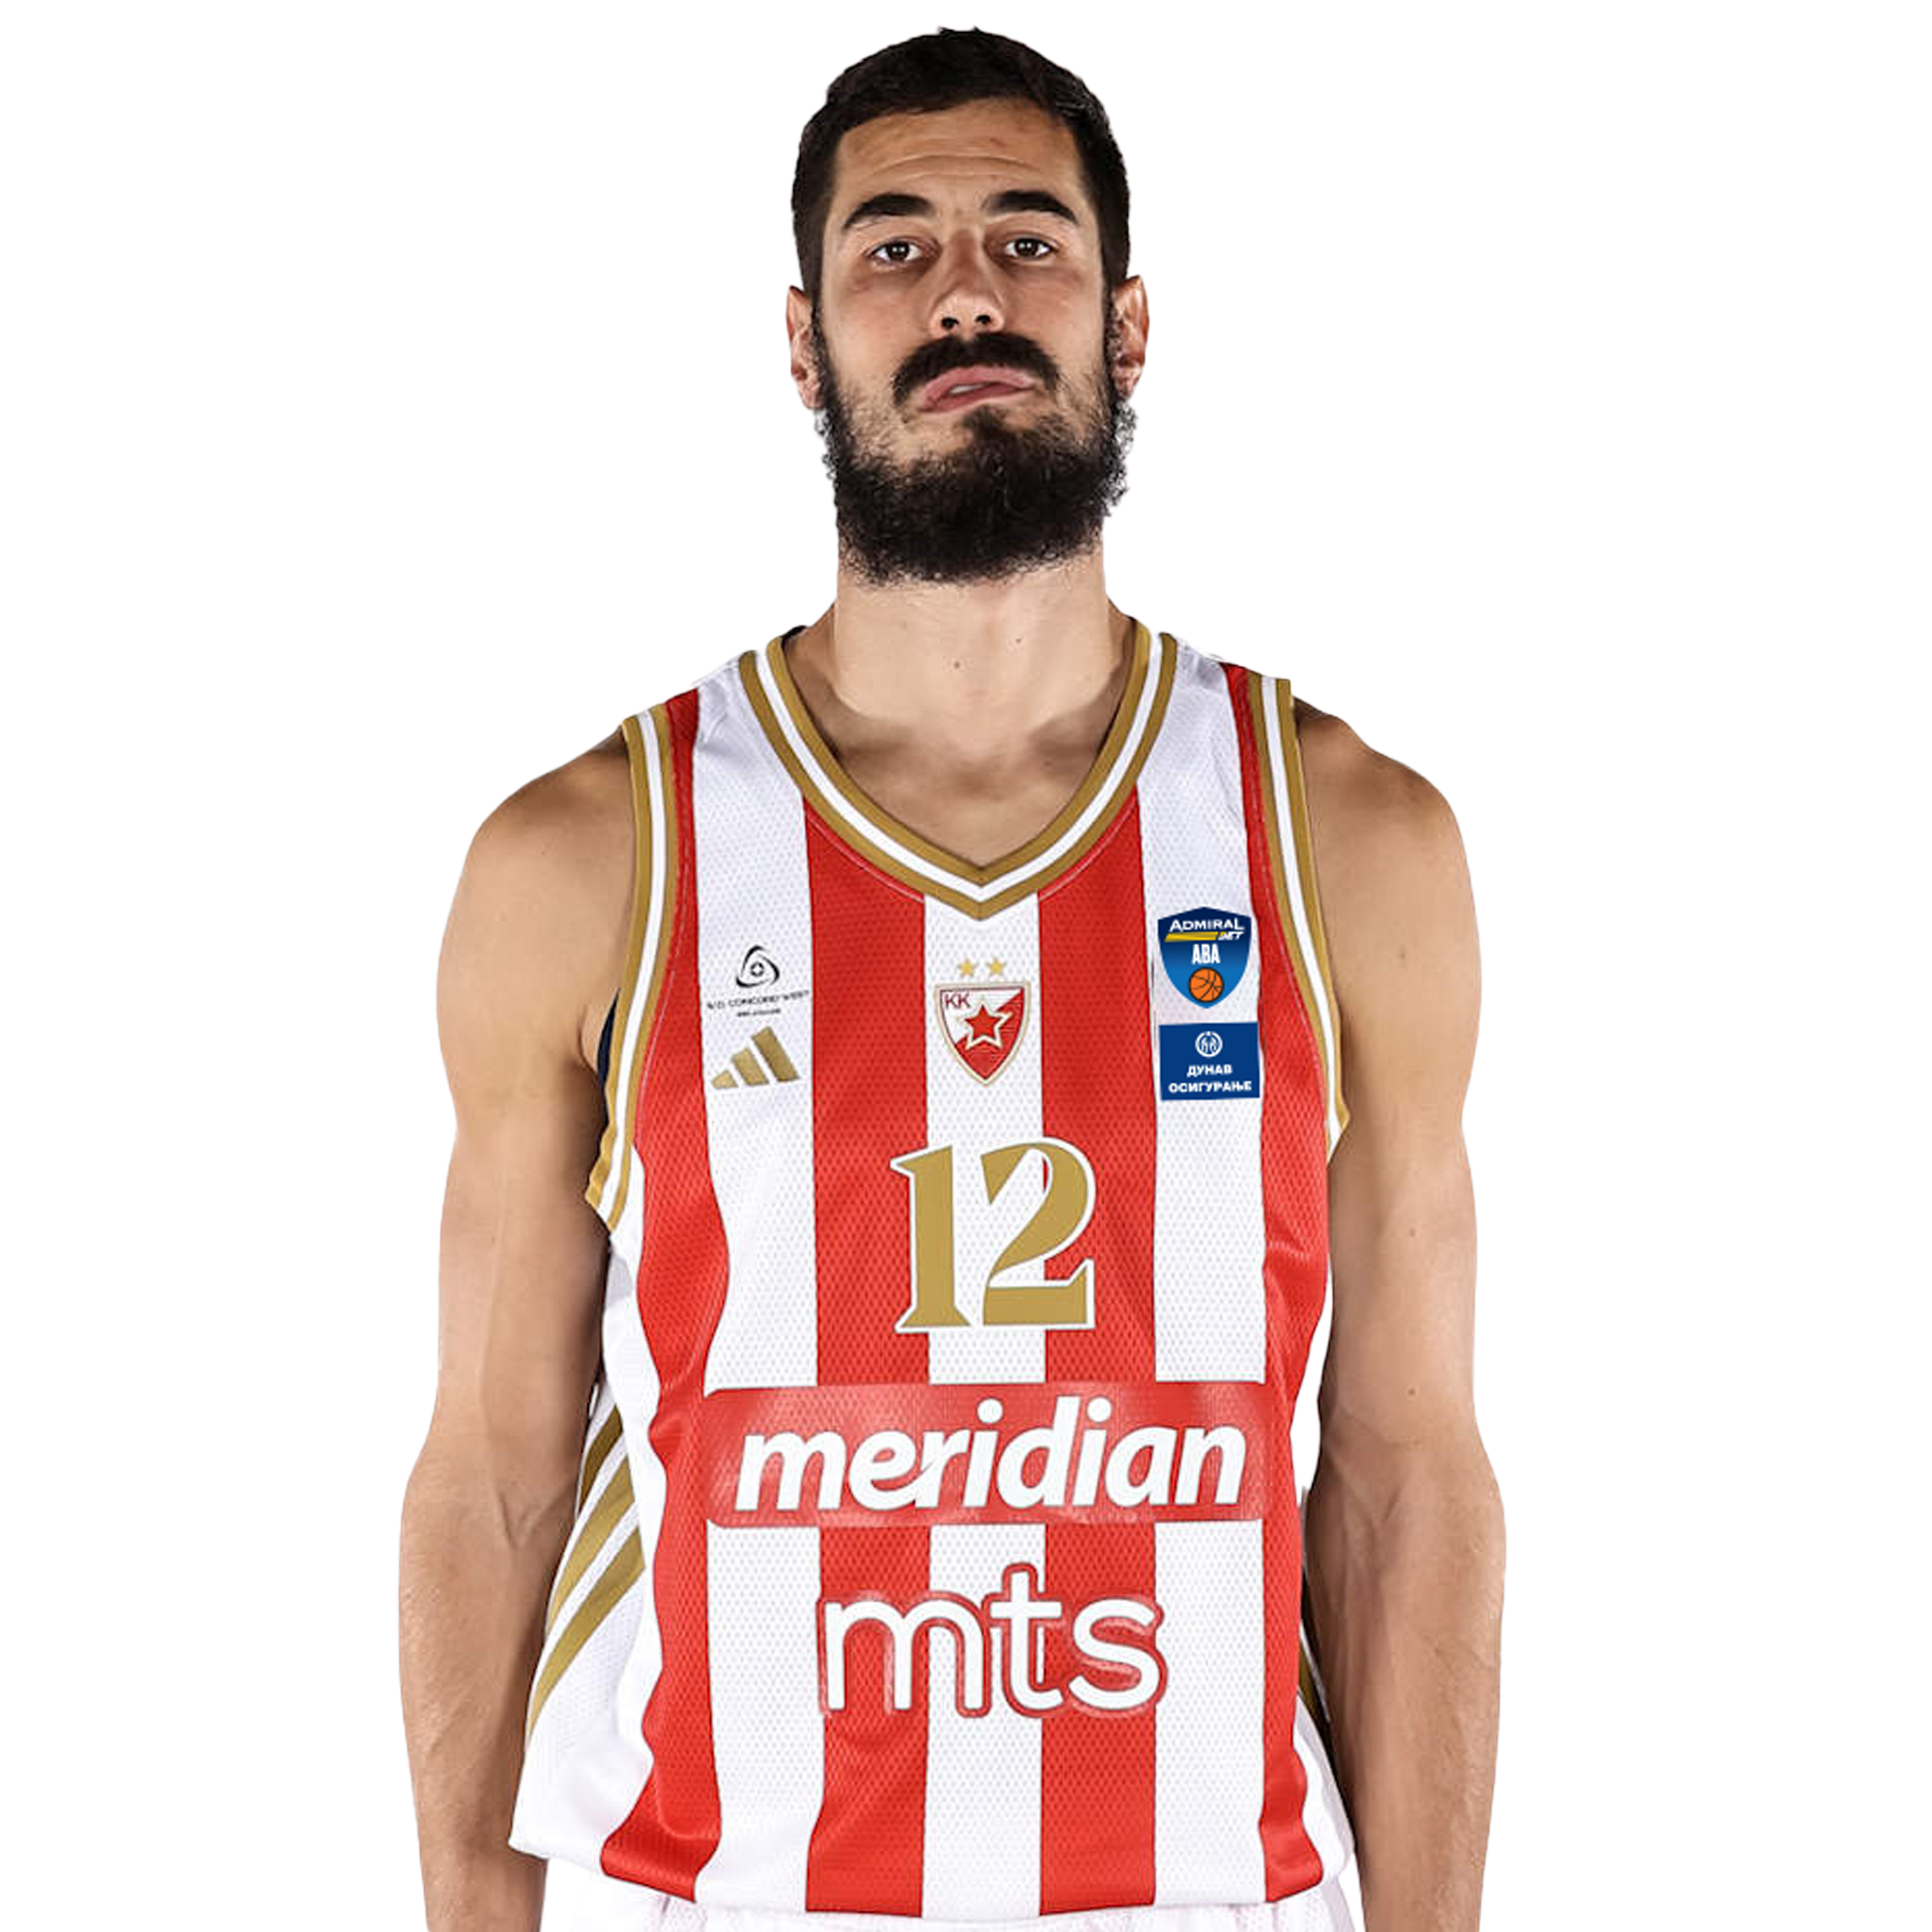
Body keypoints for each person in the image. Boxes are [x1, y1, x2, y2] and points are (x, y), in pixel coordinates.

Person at [400, 28, 1505, 1932]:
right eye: (893, 246)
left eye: (1028, 238)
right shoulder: (589, 856)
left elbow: (1407, 1482)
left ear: (1127, 323)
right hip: (728, 1896)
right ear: (804, 341)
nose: (966, 291)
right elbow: (493, 1475)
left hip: (1211, 1897)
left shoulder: (1343, 834)